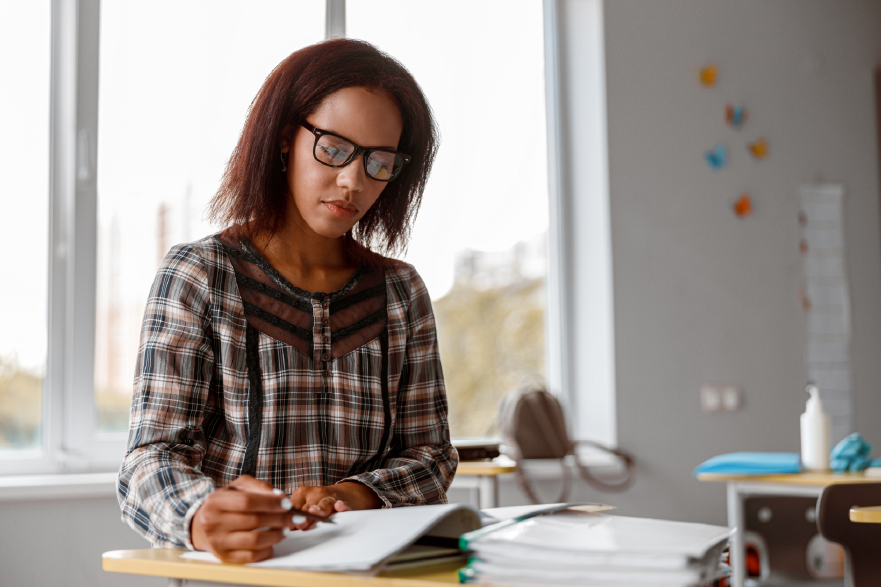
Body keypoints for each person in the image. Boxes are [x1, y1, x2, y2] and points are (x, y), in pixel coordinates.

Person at [117, 38, 458, 564]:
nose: (353, 181)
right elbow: (149, 459)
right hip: (241, 574)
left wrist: (357, 494)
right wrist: (201, 517)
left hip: (369, 575)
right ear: (283, 140)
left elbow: (432, 457)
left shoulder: (401, 292)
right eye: (335, 149)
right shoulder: (199, 274)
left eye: (379, 161)